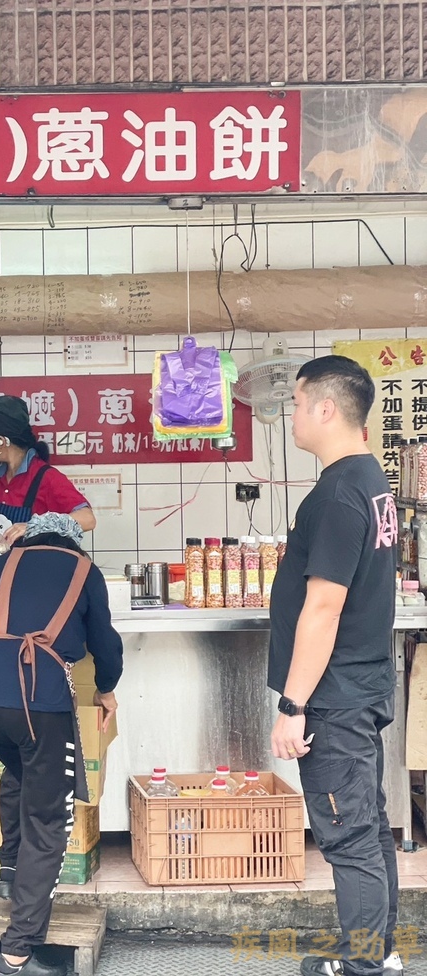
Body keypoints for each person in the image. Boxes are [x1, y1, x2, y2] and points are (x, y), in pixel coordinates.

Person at [269, 356, 400, 976]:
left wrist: (293, 705)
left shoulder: (339, 493)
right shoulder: (370, 481)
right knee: (367, 829)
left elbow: (324, 608)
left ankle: (363, 967)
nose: (292, 416)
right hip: (361, 685)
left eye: (297, 404)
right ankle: (377, 954)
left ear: (325, 408)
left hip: (335, 697)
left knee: (349, 837)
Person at [0, 512, 122, 976]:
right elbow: (105, 644)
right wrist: (106, 688)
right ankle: (17, 952)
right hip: (38, 700)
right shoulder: (84, 570)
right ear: (75, 543)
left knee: (23, 769)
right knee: (50, 819)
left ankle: (11, 871)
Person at [0, 395, 96, 553]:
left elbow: (88, 519)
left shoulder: (46, 477)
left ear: (1, 441)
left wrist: (35, 526)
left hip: (32, 568)